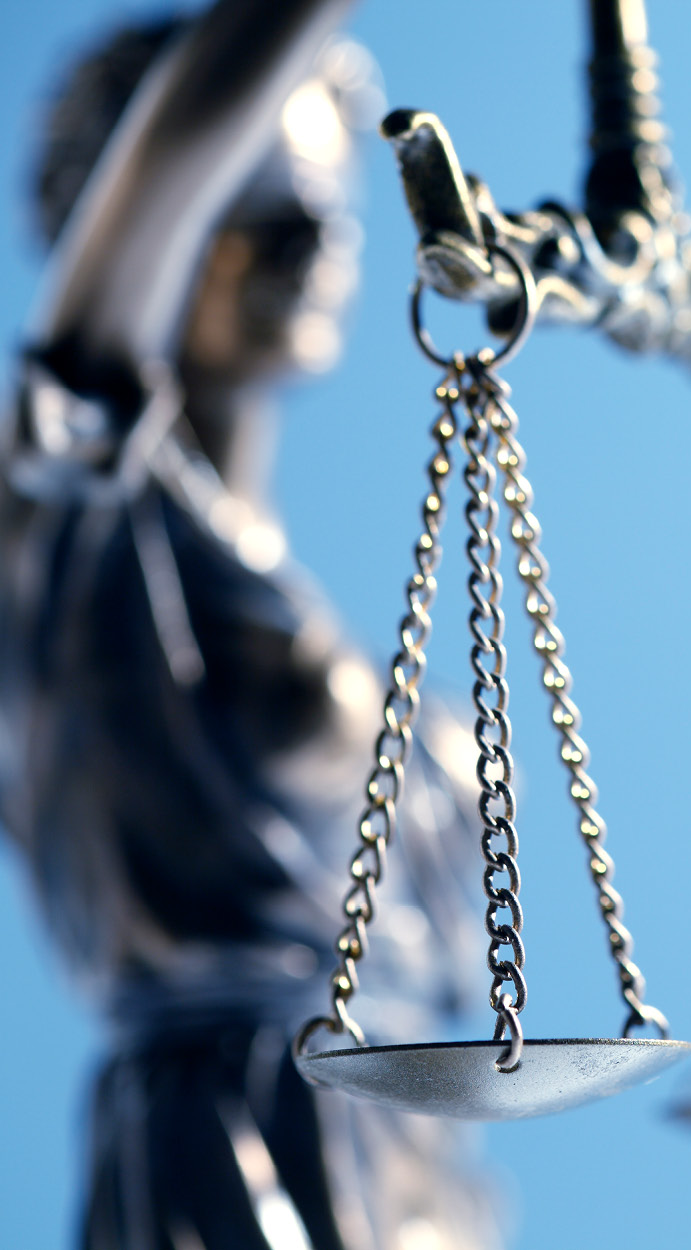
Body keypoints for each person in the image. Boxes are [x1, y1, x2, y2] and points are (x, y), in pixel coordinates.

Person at [1, 3, 504, 1246]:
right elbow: (170, 161)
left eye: (332, 201)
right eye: (251, 198)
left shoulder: (285, 601)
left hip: (418, 1175)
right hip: (238, 1146)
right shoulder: (70, 527)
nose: (318, 237)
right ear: (133, 224)